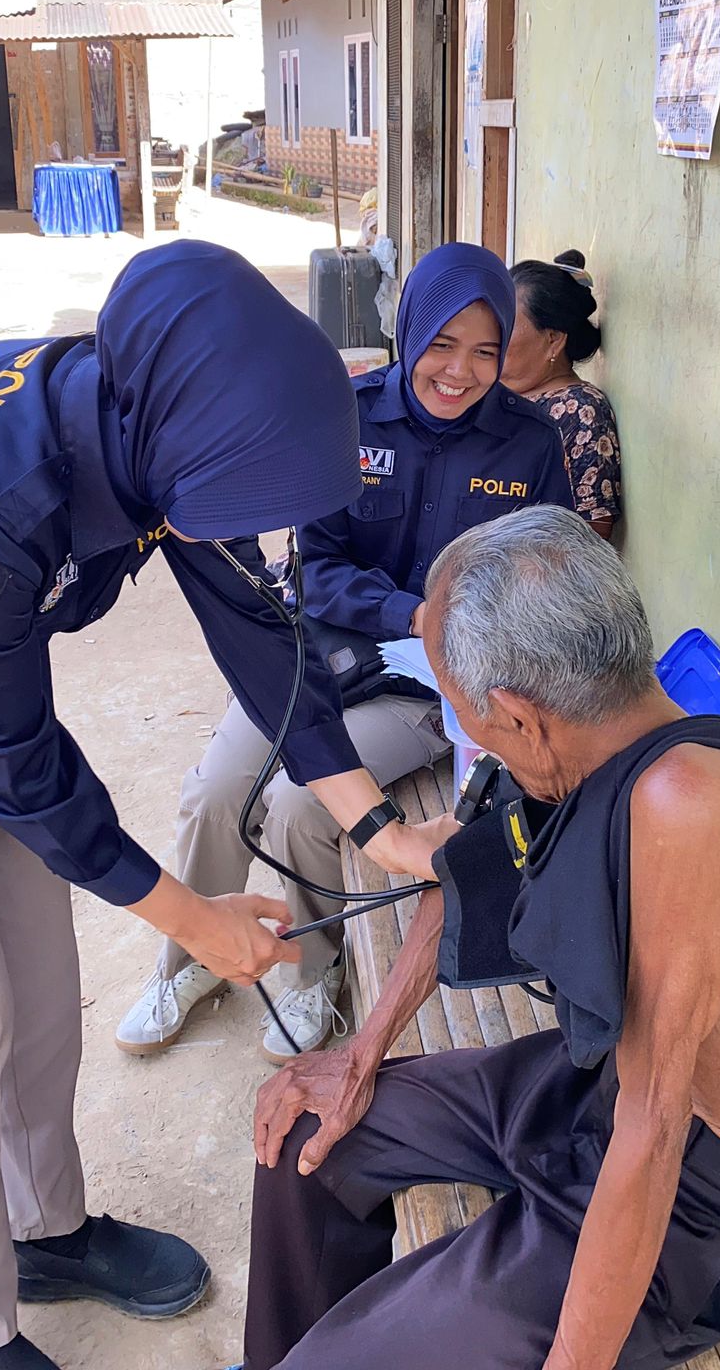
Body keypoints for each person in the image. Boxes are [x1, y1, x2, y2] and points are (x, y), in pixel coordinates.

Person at [0, 240, 444, 1370]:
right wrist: (191, 917)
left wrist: (377, 824)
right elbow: (14, 768)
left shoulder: (154, 425)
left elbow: (260, 640)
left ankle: (44, 1231)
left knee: (38, 985)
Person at [244, 507, 720, 1370]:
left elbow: (655, 1126)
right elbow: (466, 872)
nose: (460, 729)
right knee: (304, 1131)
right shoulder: (593, 727)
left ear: (520, 716)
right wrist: (360, 1052)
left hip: (710, 1201)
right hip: (596, 1090)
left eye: (457, 709)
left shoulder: (685, 812)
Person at [117, 243, 573, 1062]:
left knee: (301, 806)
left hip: (429, 686)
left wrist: (455, 640)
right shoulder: (350, 414)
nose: (460, 372)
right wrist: (411, 610)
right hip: (313, 655)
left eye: (484, 351)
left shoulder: (529, 446)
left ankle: (314, 974)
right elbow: (316, 568)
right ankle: (188, 962)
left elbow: (541, 573)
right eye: (442, 343)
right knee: (216, 792)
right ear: (409, 332)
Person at [502, 250, 621, 538]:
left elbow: (591, 538)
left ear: (553, 339)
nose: (492, 336)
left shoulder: (579, 412)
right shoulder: (493, 393)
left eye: (506, 324)